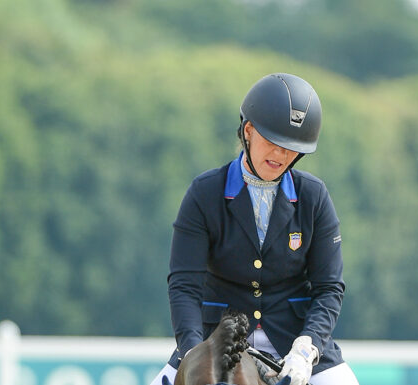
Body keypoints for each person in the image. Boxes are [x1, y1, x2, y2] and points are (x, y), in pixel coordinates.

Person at [149, 73, 359, 385]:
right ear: (248, 131)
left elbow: (329, 288)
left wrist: (307, 347)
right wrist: (194, 352)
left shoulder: (314, 197)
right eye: (273, 143)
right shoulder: (204, 193)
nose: (280, 156)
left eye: (291, 148)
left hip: (295, 339)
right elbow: (184, 285)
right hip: (217, 339)